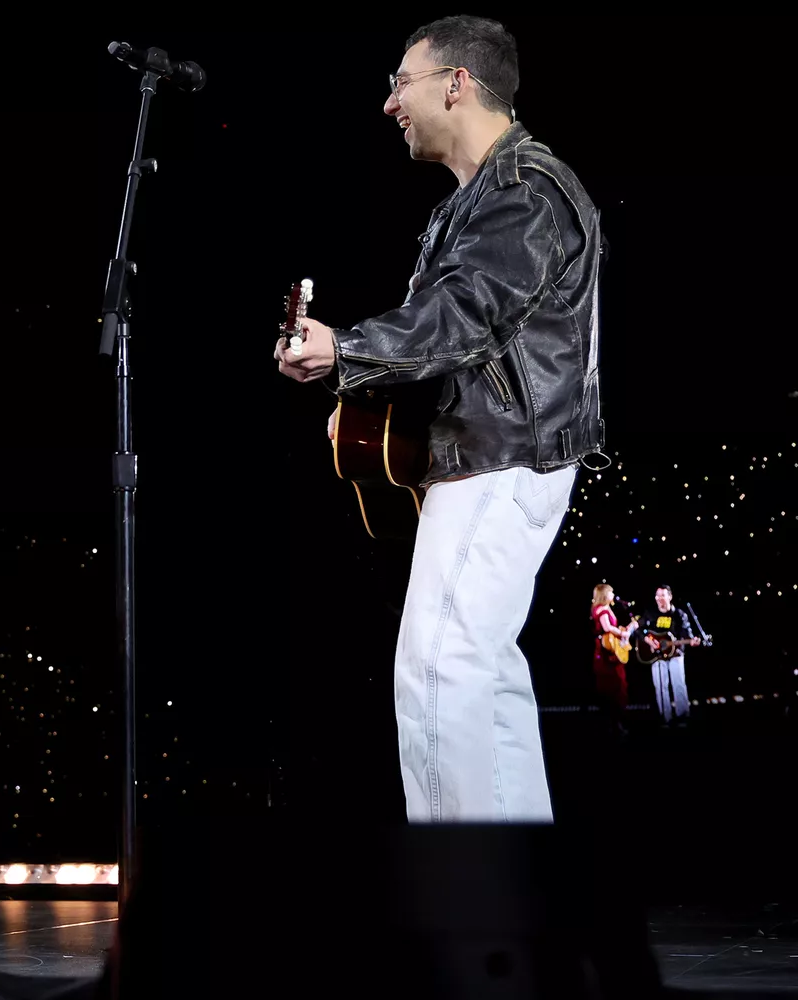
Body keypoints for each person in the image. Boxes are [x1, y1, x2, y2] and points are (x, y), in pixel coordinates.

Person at [274, 15, 605, 822]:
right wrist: (360, 389)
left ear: (456, 82)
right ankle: (515, 903)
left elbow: (466, 316)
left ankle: (467, 905)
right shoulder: (478, 201)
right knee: (481, 679)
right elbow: (460, 339)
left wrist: (346, 352)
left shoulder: (525, 191)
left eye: (401, 82)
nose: (390, 103)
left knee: (442, 674)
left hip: (503, 463)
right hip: (494, 461)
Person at [642, 584, 701, 725]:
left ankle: (682, 716)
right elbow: (641, 630)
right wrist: (649, 641)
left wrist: (691, 640)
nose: (659, 599)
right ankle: (665, 717)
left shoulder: (679, 615)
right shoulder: (650, 613)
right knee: (660, 687)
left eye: (662, 595)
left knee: (679, 684)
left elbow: (687, 633)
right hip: (657, 655)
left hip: (676, 654)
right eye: (657, 595)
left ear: (670, 597)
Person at [590, 584, 637, 734]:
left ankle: (616, 722)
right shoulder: (602, 610)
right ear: (604, 594)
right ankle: (614, 724)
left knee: (615, 686)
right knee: (613, 686)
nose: (613, 595)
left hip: (608, 649)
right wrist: (622, 633)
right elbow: (607, 627)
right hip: (606, 653)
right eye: (611, 592)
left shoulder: (605, 608)